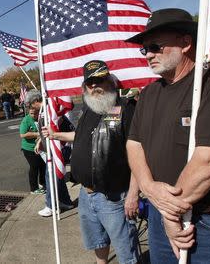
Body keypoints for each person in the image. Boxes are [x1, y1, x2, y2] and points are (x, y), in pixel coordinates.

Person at [125, 8, 210, 264]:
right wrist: (149, 190)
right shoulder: (149, 94)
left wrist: (172, 214)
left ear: (186, 43)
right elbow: (134, 144)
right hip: (161, 215)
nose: (148, 54)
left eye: (154, 46)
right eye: (144, 49)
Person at [41, 60, 139, 264]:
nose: (94, 85)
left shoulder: (125, 109)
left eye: (99, 80)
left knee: (126, 251)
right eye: (90, 81)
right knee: (97, 241)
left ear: (110, 81)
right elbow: (82, 137)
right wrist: (56, 135)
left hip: (114, 197)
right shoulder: (89, 109)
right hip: (86, 195)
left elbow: (139, 154)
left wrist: (133, 194)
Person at [35, 113, 75, 217]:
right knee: (58, 176)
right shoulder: (45, 110)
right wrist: (40, 141)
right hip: (57, 146)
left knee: (51, 177)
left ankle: (51, 206)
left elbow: (54, 125)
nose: (28, 106)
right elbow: (45, 130)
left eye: (30, 104)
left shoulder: (51, 110)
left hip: (61, 147)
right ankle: (66, 202)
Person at [19, 90, 47, 195]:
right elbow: (22, 134)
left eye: (35, 113)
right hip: (29, 148)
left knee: (42, 166)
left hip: (40, 147)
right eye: (31, 113)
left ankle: (42, 183)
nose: (33, 115)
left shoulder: (40, 117)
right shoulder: (26, 120)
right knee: (34, 167)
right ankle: (33, 188)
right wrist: (37, 134)